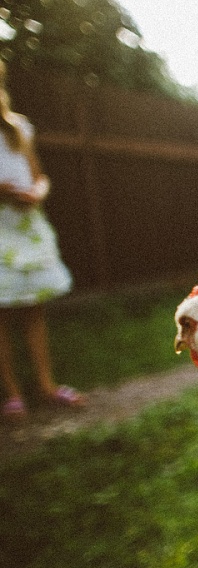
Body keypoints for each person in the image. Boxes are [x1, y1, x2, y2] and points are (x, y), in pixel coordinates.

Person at [0, 61, 83, 420]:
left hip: (26, 228)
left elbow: (40, 176)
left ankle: (46, 386)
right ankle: (13, 393)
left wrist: (37, 192)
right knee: (1, 313)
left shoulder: (18, 129)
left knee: (34, 309)